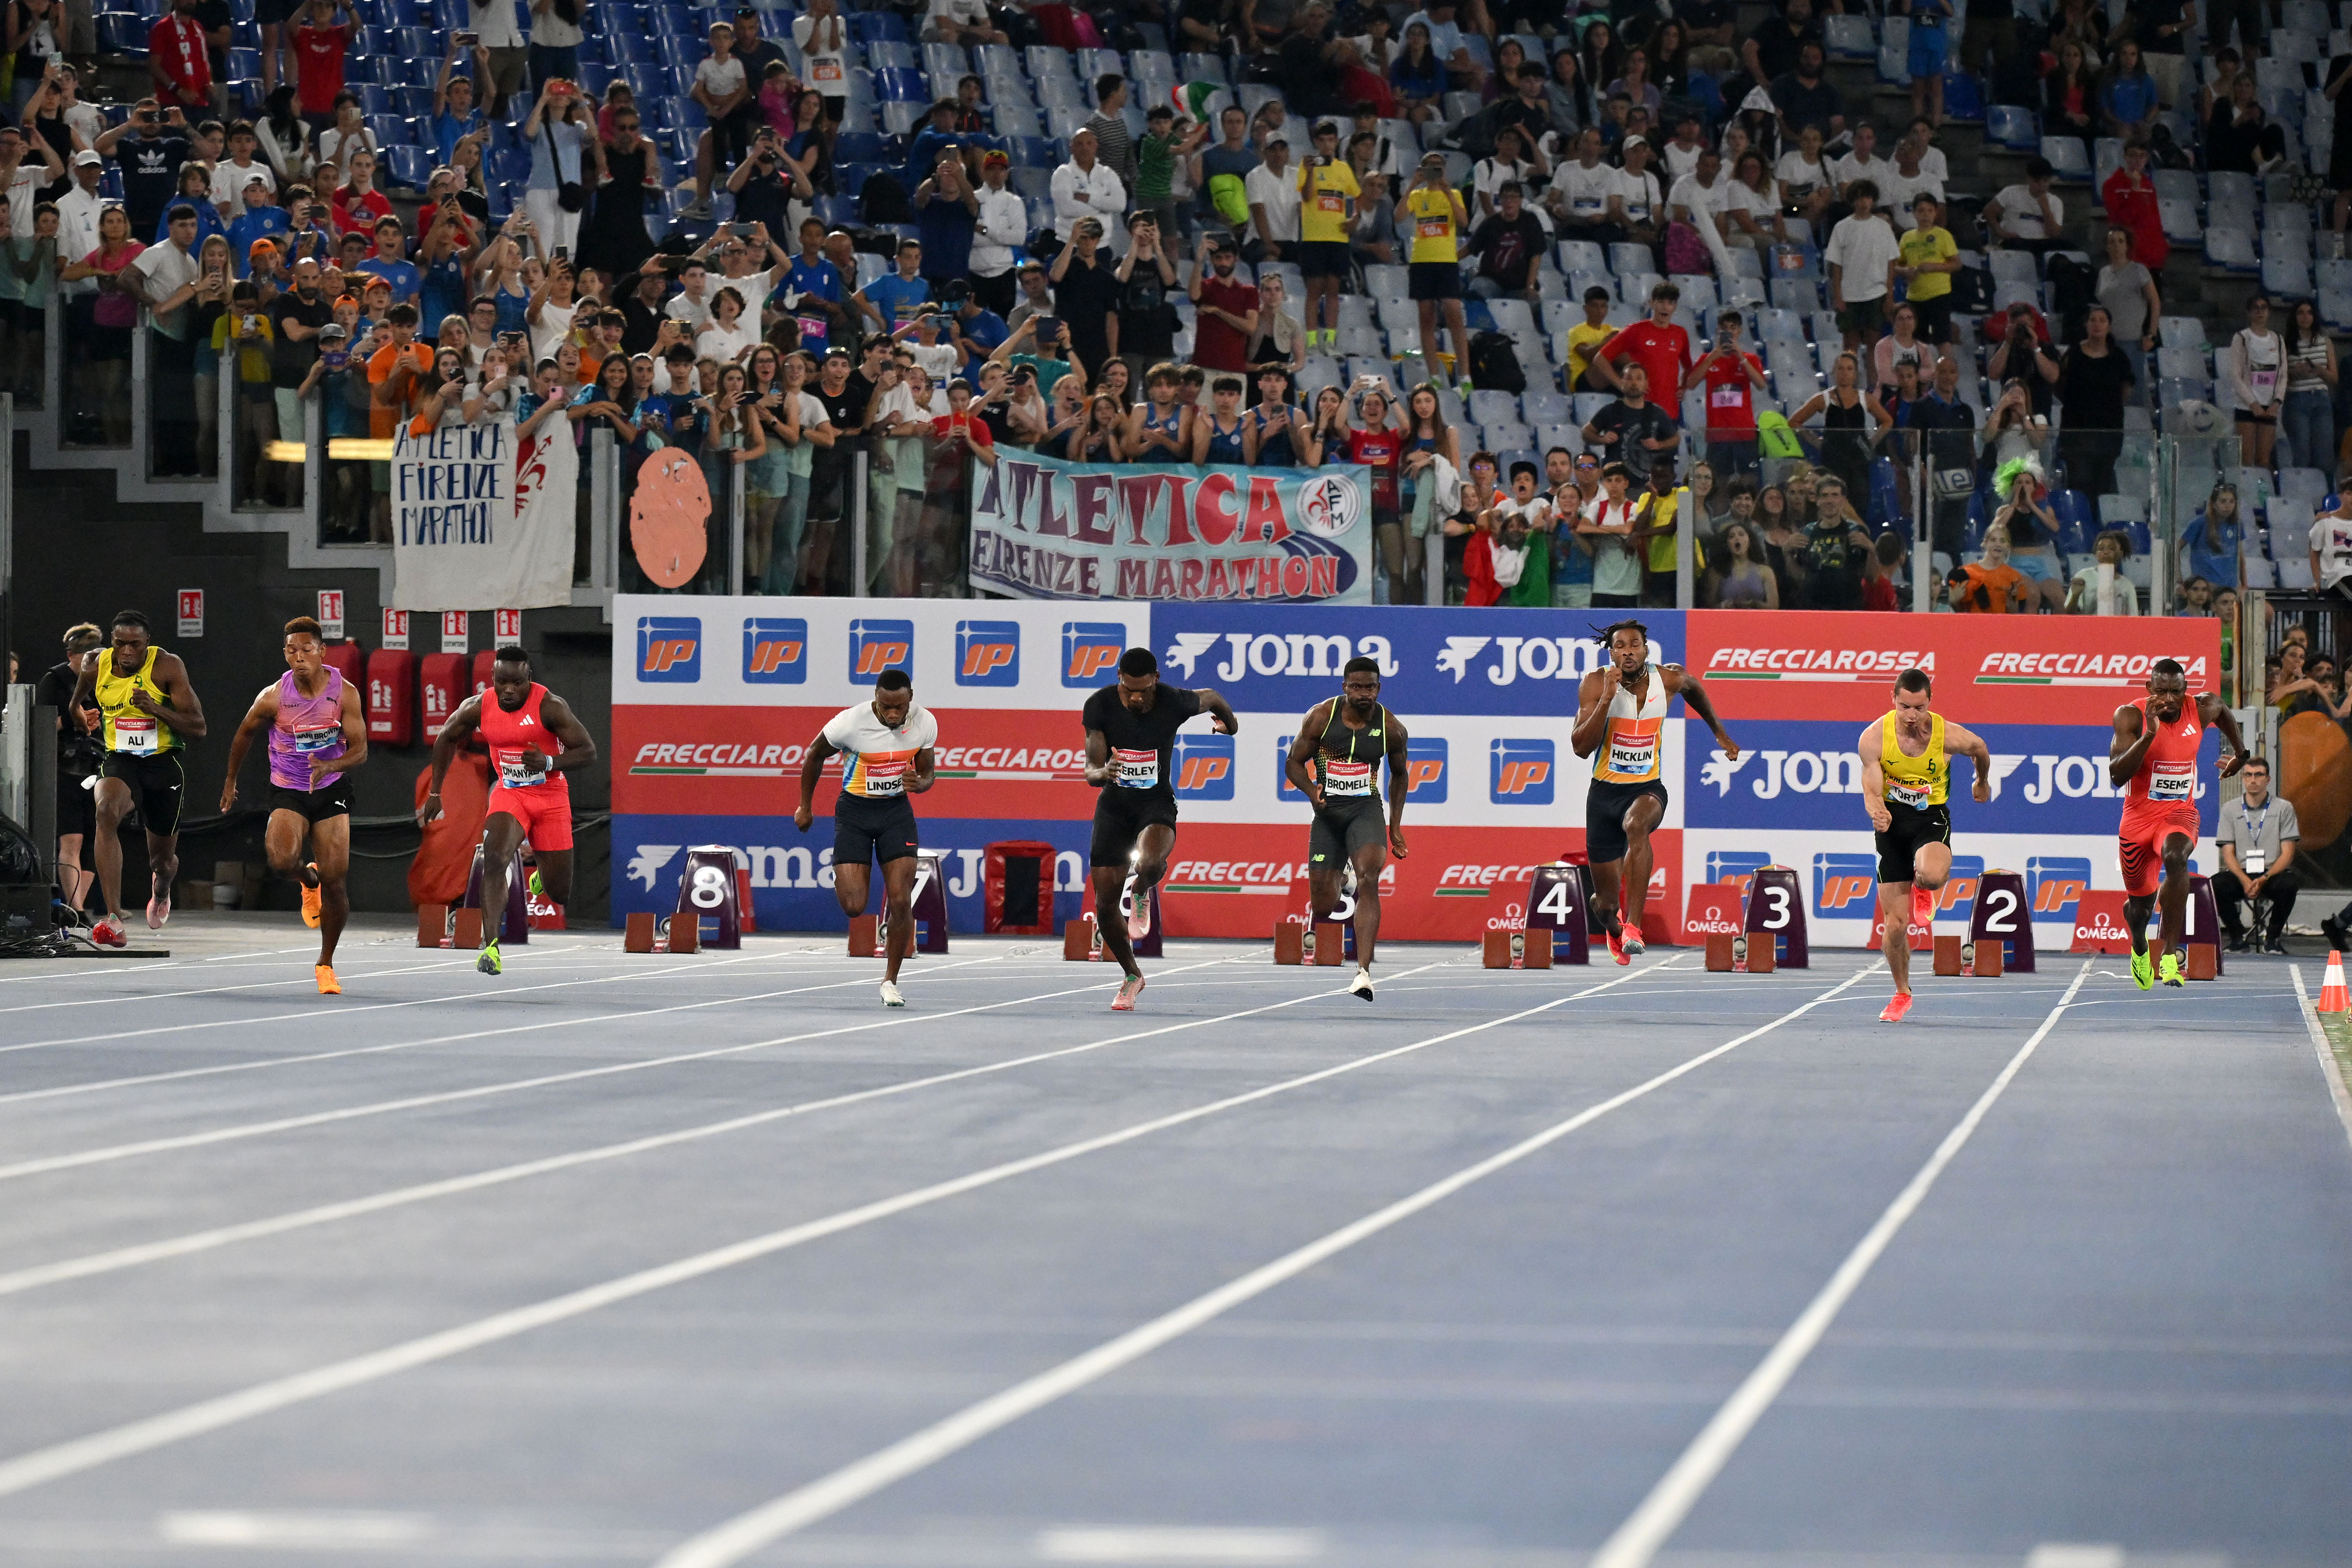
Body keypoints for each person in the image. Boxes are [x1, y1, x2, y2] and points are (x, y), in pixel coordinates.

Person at [420, 645, 599, 977]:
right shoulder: (478, 706)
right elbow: (446, 738)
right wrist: (435, 792)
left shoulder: (550, 706)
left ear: (529, 679)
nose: (509, 690)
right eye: (502, 681)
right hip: (510, 793)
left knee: (559, 891)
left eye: (517, 683)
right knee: (495, 857)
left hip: (550, 796)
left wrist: (549, 762)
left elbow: (588, 751)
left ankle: (541, 874)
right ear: (493, 678)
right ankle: (491, 946)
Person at [1081, 647, 1239, 1011]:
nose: (1136, 697)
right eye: (1128, 690)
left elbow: (1213, 696)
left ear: (1156, 679)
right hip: (1114, 807)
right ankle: (1132, 975)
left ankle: (1140, 889)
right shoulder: (1100, 705)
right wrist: (1102, 773)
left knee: (1149, 863)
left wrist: (1229, 726)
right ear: (1119, 678)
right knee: (1105, 905)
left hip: (1156, 802)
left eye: (1143, 690)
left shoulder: (1174, 701)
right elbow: (1091, 768)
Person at [216, 615, 367, 994]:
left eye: (306, 649)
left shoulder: (345, 693)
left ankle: (325, 963)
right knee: (282, 861)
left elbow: (361, 750)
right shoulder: (273, 696)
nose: (299, 657)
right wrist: (231, 780)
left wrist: (331, 765)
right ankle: (307, 880)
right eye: (291, 651)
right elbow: (244, 733)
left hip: (330, 786)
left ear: (322, 651)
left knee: (336, 883)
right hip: (289, 788)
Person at [1572, 620, 1738, 963]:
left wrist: (1718, 732)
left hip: (1647, 788)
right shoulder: (1595, 683)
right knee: (1604, 904)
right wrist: (1607, 698)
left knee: (1637, 825)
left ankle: (1634, 926)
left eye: (1635, 644)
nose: (1628, 651)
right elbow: (1580, 748)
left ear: (1646, 650)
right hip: (1603, 796)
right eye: (1620, 646)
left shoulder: (1668, 679)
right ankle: (1614, 926)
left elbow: (1693, 688)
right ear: (1611, 653)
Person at [787, 667, 938, 1006]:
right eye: (886, 706)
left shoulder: (925, 722)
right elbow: (814, 755)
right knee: (854, 906)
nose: (893, 714)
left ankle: (890, 981)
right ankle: (843, 870)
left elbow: (928, 772)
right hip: (855, 813)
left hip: (896, 814)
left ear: (910, 699)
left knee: (901, 900)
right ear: (876, 699)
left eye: (899, 707)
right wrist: (805, 807)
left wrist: (921, 784)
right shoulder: (850, 723)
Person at [1858, 667, 1993, 1022]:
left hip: (1929, 818)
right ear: (1893, 699)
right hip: (1892, 825)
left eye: (1919, 708)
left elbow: (1979, 747)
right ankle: (1902, 993)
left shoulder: (1945, 735)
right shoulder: (1874, 737)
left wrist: (1981, 780)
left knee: (1932, 876)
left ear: (1929, 702)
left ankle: (1923, 886)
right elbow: (1870, 786)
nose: (1911, 715)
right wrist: (1876, 810)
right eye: (1904, 707)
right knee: (1895, 926)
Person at [73, 609, 207, 947]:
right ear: (112, 642)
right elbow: (77, 698)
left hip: (163, 763)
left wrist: (156, 708)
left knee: (162, 862)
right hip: (121, 760)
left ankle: (161, 890)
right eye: (120, 644)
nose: (127, 651)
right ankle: (113, 919)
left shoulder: (167, 666)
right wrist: (78, 712)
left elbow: (198, 728)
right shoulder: (95, 664)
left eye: (135, 644)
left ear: (148, 643)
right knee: (105, 810)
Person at [2112, 659, 2248, 989]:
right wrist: (2149, 734)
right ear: (2149, 689)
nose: (2169, 700)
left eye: (2176, 692)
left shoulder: (2200, 708)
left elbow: (2222, 710)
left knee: (2176, 856)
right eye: (2161, 692)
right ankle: (2139, 945)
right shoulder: (2129, 716)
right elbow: (2117, 775)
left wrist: (2241, 754)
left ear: (2186, 690)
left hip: (2178, 813)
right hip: (2137, 820)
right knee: (2139, 909)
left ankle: (2170, 955)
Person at [1283, 656, 1409, 999]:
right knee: (1322, 906)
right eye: (1356, 687)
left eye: (1370, 687)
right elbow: (1293, 763)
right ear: (1345, 687)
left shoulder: (1391, 728)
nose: (1363, 693)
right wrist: (1312, 792)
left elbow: (1400, 775)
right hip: (1328, 813)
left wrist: (1395, 827)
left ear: (1378, 689)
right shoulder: (1322, 717)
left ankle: (1363, 973)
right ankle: (1343, 879)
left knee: (1371, 877)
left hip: (1365, 809)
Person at [34, 621, 103, 920]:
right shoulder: (55, 681)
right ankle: (76, 909)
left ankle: (77, 906)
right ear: (71, 656)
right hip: (64, 769)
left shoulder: (106, 682)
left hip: (97, 766)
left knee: (95, 842)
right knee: (71, 839)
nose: (91, 665)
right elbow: (39, 727)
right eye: (85, 658)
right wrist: (73, 719)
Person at [1398, 151, 1470, 396]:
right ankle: (1435, 377)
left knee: (1453, 311)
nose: (1435, 170)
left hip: (1446, 261)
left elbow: (1463, 221)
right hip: (1421, 262)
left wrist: (1448, 191)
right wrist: (1412, 184)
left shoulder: (1455, 194)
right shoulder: (1417, 196)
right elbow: (1398, 216)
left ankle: (1465, 377)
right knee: (1426, 318)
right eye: (1430, 166)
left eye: (1439, 166)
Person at [2213, 755, 2297, 955]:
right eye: (2248, 775)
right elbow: (2228, 853)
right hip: (2242, 873)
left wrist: (2264, 878)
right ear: (2243, 778)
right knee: (2217, 884)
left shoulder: (2284, 808)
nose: (2253, 780)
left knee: (2290, 883)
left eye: (2259, 775)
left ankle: (2272, 939)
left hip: (2271, 873)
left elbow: (2288, 853)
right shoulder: (2230, 809)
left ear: (2268, 779)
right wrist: (2245, 880)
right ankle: (2238, 938)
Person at [2226, 294, 2285, 472]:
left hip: (2270, 406)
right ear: (2249, 312)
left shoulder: (2278, 339)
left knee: (2263, 460)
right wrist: (2253, 404)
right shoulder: (2242, 338)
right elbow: (2235, 375)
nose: (2260, 312)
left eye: (2264, 308)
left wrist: (2277, 402)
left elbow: (2283, 374)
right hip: (2247, 407)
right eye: (2256, 308)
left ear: (2269, 312)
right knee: (2246, 460)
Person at [2283, 297, 2338, 474]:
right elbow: (2282, 380)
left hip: (2321, 399)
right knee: (2301, 454)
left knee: (2324, 455)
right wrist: (2295, 373)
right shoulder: (2287, 344)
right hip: (2297, 399)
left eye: (2309, 313)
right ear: (2295, 317)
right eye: (2301, 313)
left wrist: (2319, 370)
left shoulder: (2325, 342)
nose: (2305, 317)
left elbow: (2334, 378)